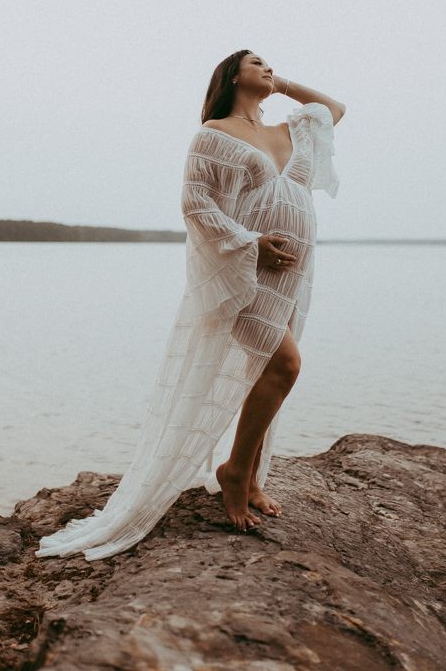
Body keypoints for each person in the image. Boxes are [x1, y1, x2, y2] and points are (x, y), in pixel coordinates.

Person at [36, 50, 345, 560]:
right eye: (257, 63)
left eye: (271, 62)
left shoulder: (293, 131)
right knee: (284, 367)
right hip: (249, 272)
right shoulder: (213, 135)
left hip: (291, 276)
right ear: (230, 76)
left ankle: (246, 473)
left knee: (266, 372)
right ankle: (235, 473)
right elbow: (196, 204)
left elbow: (334, 108)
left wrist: (280, 83)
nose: (268, 67)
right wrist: (251, 242)